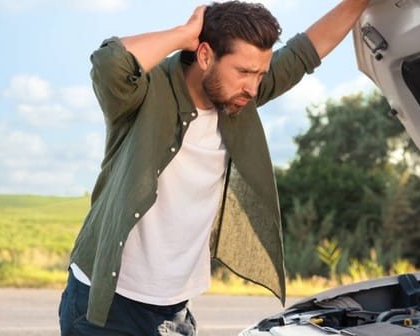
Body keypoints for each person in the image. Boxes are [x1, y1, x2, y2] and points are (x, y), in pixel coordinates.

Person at [58, 1, 369, 334]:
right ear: (205, 55)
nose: (253, 87)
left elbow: (306, 51)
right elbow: (109, 63)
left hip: (173, 311)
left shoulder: (238, 100)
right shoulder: (144, 94)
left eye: (260, 74)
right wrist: (183, 35)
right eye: (245, 72)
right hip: (106, 305)